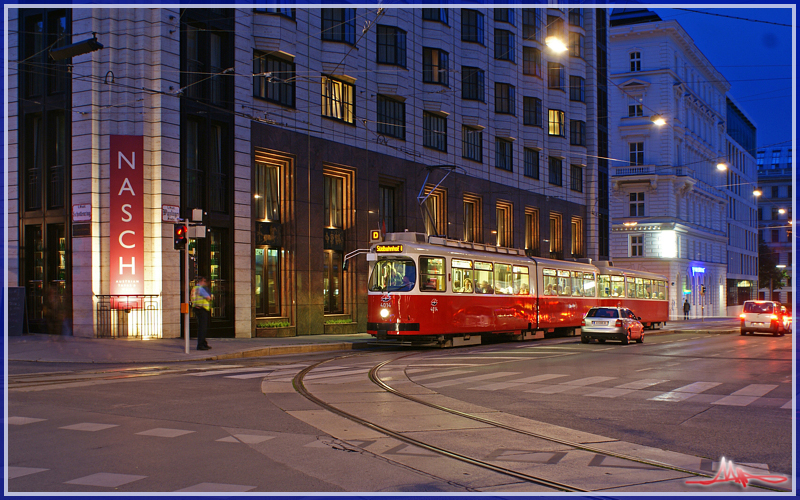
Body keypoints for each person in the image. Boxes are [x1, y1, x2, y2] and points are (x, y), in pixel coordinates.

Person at [191, 276, 213, 350]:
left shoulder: (195, 288)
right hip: (202, 309)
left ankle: (203, 343)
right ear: (202, 281)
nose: (205, 283)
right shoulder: (201, 289)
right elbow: (209, 297)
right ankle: (201, 345)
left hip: (197, 308)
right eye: (204, 281)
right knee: (202, 328)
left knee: (201, 327)